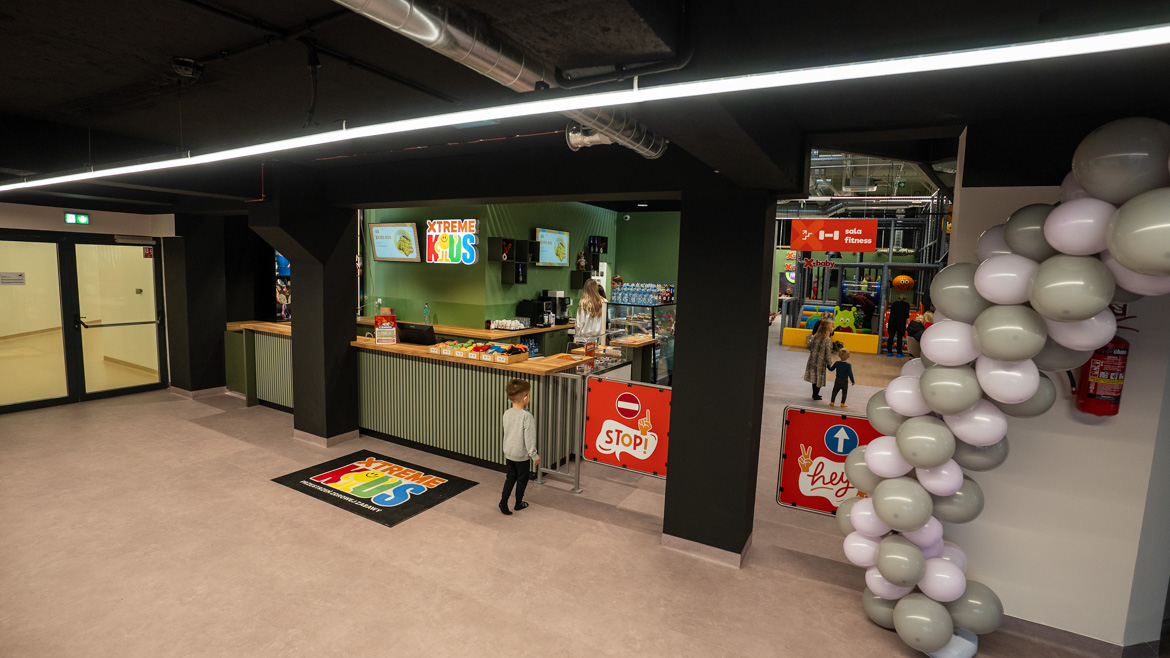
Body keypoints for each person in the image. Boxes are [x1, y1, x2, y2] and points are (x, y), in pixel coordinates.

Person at [500, 379, 539, 516]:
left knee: (510, 477)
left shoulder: (507, 413)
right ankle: (518, 503)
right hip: (522, 456)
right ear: (525, 398)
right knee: (522, 479)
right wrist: (534, 455)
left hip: (509, 453)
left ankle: (503, 502)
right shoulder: (527, 416)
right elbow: (529, 438)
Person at [802, 319, 834, 400]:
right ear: (827, 328)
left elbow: (808, 346)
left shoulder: (816, 336)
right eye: (832, 327)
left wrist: (814, 351)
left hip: (812, 360)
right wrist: (829, 363)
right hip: (821, 362)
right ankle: (816, 394)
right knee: (819, 378)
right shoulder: (827, 340)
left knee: (814, 378)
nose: (833, 328)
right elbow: (828, 353)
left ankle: (814, 394)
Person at [575, 278, 607, 348]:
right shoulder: (604, 301)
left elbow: (579, 323)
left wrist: (576, 337)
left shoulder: (583, 303)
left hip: (584, 339)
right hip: (599, 339)